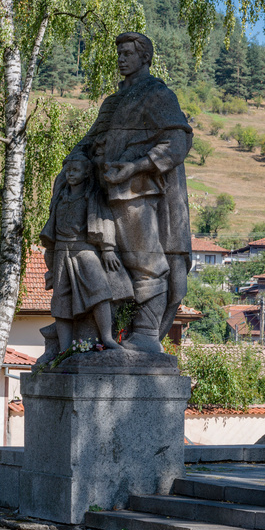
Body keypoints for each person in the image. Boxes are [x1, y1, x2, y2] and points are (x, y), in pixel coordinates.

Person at [68, 32, 192, 352]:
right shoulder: (113, 101)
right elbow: (87, 142)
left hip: (137, 192)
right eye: (119, 53)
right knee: (110, 269)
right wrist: (77, 162)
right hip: (101, 195)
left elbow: (177, 142)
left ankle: (147, 335)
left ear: (144, 57)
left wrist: (136, 166)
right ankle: (111, 334)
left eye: (128, 53)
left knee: (145, 264)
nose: (122, 58)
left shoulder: (156, 95)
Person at [40, 154, 131, 352]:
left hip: (84, 249)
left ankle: (106, 337)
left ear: (86, 173)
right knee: (61, 301)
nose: (70, 174)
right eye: (68, 171)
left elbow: (104, 219)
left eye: (75, 170)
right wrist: (51, 257)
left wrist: (107, 248)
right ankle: (64, 349)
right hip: (62, 251)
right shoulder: (61, 196)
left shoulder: (92, 195)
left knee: (100, 290)